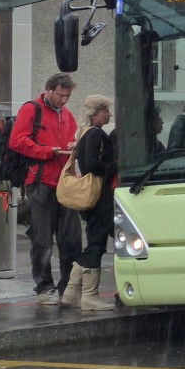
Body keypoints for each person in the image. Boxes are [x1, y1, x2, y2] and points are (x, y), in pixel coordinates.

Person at [9, 73, 82, 305]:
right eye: (61, 95)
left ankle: (68, 288)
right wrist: (48, 151)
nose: (64, 100)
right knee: (42, 239)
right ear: (49, 90)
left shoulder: (68, 116)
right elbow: (17, 141)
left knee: (70, 239)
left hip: (64, 183)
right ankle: (44, 287)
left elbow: (72, 143)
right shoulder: (31, 109)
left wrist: (74, 146)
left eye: (68, 96)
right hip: (40, 182)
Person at [63, 95, 118, 311]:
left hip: (95, 198)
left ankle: (71, 291)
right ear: (95, 114)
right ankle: (89, 295)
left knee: (95, 242)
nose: (110, 115)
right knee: (96, 244)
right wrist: (115, 165)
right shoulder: (95, 134)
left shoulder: (85, 133)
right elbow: (92, 164)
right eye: (106, 111)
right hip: (99, 198)